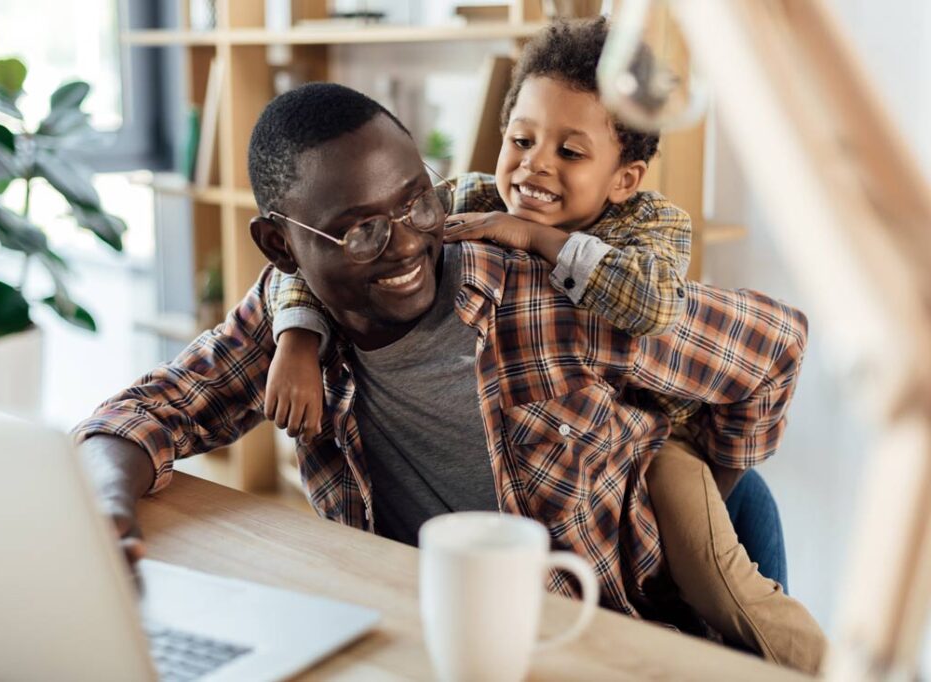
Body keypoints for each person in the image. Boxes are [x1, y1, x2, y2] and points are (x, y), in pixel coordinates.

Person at [75, 82, 822, 673]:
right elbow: (153, 407)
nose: (405, 245)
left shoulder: (542, 300)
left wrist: (719, 478)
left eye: (416, 200)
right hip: (427, 641)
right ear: (281, 246)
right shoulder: (292, 325)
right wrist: (105, 502)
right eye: (361, 228)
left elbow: (775, 342)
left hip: (598, 641)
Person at [259, 19, 824, 670]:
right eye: (522, 139)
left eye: (570, 152)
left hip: (665, 448)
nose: (534, 165)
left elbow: (650, 305)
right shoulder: (470, 197)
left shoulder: (651, 223)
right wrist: (298, 336)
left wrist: (537, 238)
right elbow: (335, 252)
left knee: (731, 601)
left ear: (623, 177)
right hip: (582, 470)